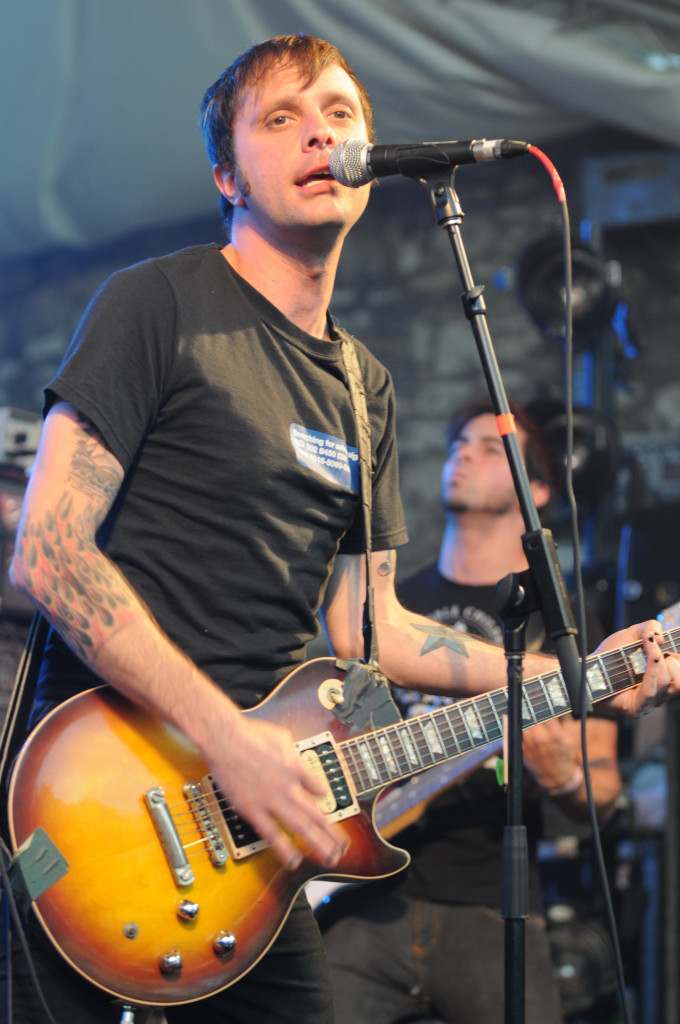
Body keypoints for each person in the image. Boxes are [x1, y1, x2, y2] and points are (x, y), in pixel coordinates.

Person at [1, 33, 676, 1024]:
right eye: (281, 118)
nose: (320, 133)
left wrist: (576, 672)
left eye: (340, 114)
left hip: (261, 838)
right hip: (102, 799)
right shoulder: (158, 302)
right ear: (227, 175)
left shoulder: (364, 389)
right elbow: (50, 553)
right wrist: (227, 739)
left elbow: (377, 631)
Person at [322, 398, 621, 1023]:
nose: (462, 455)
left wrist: (564, 777)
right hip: (362, 892)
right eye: (458, 444)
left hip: (489, 901)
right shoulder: (393, 609)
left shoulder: (563, 628)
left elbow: (603, 790)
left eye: (489, 449)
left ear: (538, 490)